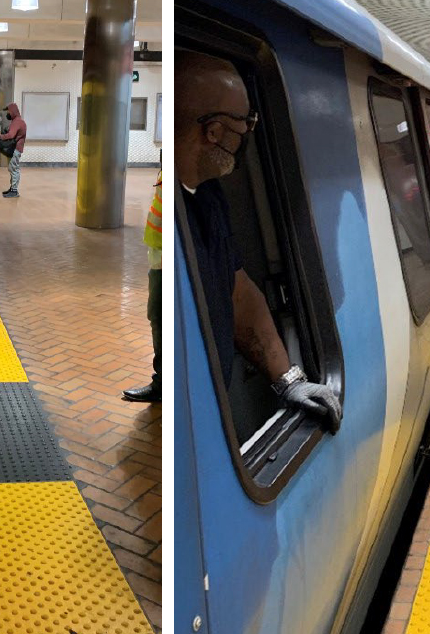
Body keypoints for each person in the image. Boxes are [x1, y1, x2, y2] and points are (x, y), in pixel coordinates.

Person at [175, 51, 340, 432]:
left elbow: (236, 290)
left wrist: (289, 381)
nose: (248, 133)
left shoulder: (209, 195)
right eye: (244, 123)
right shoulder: (174, 208)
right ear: (213, 131)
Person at [123, 170, 162, 403]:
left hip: (165, 262)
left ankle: (162, 384)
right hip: (158, 258)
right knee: (157, 318)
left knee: (160, 319)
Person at [0, 102, 27, 198]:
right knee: (12, 168)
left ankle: (14, 190)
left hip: (16, 149)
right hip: (16, 149)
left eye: (8, 112)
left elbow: (10, 135)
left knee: (14, 168)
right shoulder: (17, 121)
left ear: (13, 111)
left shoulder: (17, 122)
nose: (7, 114)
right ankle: (12, 188)